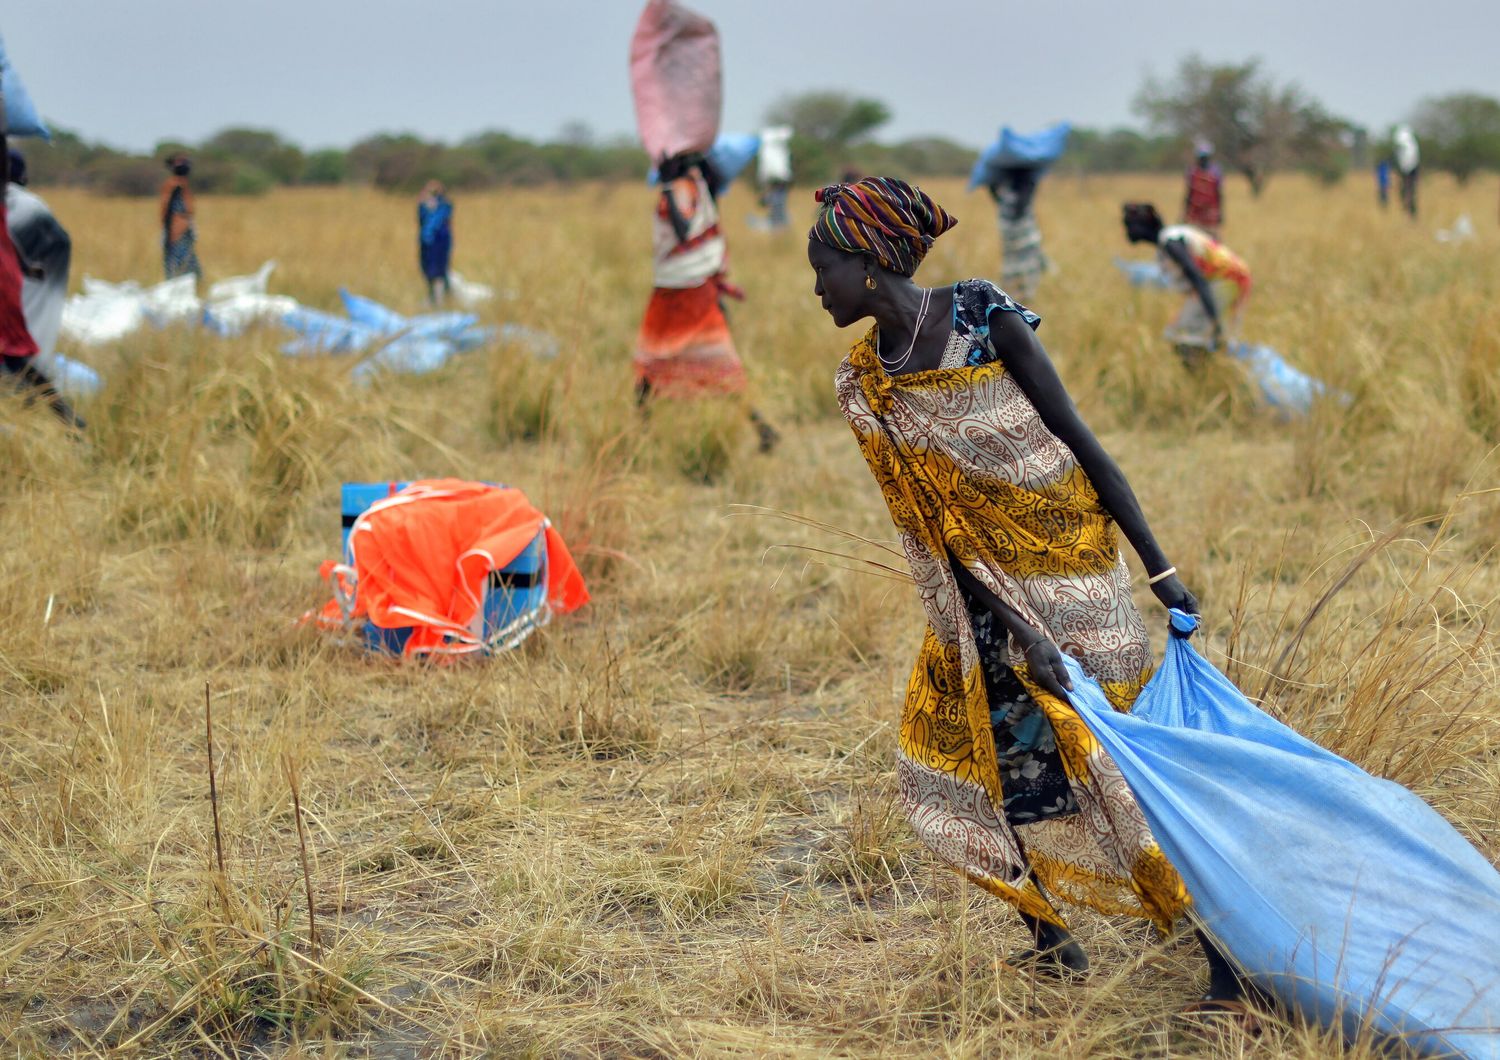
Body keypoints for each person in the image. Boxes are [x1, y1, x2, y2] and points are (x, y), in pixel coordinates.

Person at [807, 176, 1243, 1012]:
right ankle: (1052, 939)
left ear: (867, 265)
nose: (814, 287)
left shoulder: (983, 316)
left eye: (822, 267)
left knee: (1115, 768)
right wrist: (1016, 628)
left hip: (1074, 572)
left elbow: (1080, 441)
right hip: (979, 601)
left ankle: (1228, 965)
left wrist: (1159, 571)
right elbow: (932, 524)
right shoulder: (865, 383)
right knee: (965, 759)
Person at [634, 151, 778, 451]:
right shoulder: (700, 188)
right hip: (686, 290)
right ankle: (761, 427)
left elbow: (684, 231)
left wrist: (665, 189)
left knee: (658, 360)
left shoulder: (682, 189)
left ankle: (640, 434)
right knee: (684, 363)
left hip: (683, 293)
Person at [0, 138, 81, 427]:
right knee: (19, 358)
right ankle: (67, 419)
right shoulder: (23, 204)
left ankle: (65, 418)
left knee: (16, 358)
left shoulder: (19, 206)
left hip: (11, 294)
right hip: (19, 293)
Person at [1122, 202, 1251, 366]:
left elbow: (1198, 278)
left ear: (1142, 227)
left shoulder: (1171, 242)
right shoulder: (1168, 241)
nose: (1127, 231)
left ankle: (1208, 374)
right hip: (1223, 281)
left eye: (1129, 226)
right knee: (1179, 334)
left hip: (1227, 281)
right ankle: (1208, 370)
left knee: (1186, 337)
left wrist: (1216, 320)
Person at [986, 165, 1049, 302]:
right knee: (1026, 259)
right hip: (1021, 227)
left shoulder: (1001, 176)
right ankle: (1024, 293)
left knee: (1013, 259)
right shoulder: (1025, 178)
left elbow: (993, 191)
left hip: (1009, 226)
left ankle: (1015, 292)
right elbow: (1023, 202)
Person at [159, 153, 200, 281]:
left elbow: (188, 209)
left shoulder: (184, 185)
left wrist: (191, 225)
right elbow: (165, 209)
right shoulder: (172, 185)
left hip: (185, 228)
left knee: (190, 263)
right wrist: (167, 231)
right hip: (176, 231)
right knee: (178, 264)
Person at [418, 180, 453, 305]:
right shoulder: (423, 205)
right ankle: (432, 297)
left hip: (439, 242)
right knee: (427, 270)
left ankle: (440, 300)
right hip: (427, 243)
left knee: (439, 271)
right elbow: (421, 220)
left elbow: (444, 219)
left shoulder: (444, 206)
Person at [1182, 141, 1223, 236]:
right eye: (1202, 157)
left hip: (1211, 212)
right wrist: (1185, 212)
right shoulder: (1192, 171)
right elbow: (1189, 193)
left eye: (1205, 157)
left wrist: (1219, 212)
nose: (1203, 160)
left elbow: (1219, 193)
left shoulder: (1215, 171)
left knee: (1212, 241)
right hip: (1195, 213)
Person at [1393, 124, 1420, 219]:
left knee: (1410, 193)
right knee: (1404, 192)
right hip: (1405, 172)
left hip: (1411, 172)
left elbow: (1411, 161)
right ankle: (1407, 211)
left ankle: (1411, 214)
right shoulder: (1403, 145)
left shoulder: (1410, 145)